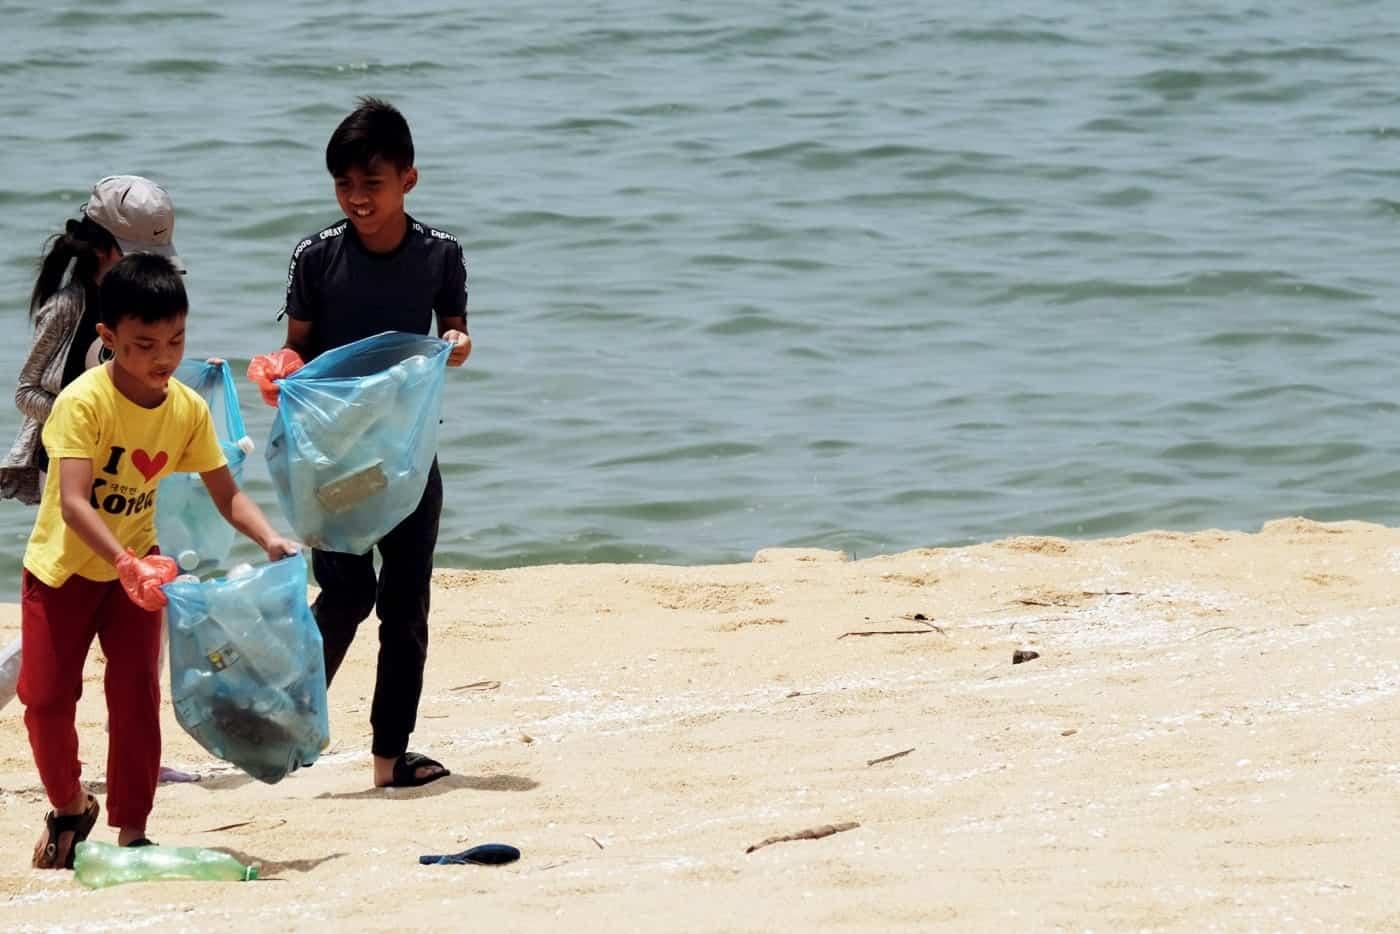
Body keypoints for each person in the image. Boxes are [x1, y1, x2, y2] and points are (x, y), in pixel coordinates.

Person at [22, 253, 298, 869]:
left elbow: (227, 493)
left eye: (176, 341)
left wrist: (270, 540)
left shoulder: (185, 409)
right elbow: (71, 503)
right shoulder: (83, 403)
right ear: (108, 338)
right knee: (43, 699)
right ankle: (70, 805)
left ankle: (132, 831)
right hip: (64, 569)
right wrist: (122, 559)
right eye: (144, 344)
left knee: (136, 697)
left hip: (139, 575)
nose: (164, 358)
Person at [248, 97, 471, 789]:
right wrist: (277, 372)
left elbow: (455, 336)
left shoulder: (440, 255)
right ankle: (283, 724)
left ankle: (388, 758)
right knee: (345, 596)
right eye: (344, 186)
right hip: (335, 461)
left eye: (370, 185)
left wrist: (457, 345)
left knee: (407, 607)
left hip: (405, 458)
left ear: (408, 179)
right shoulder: (316, 257)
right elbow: (297, 349)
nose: (356, 200)